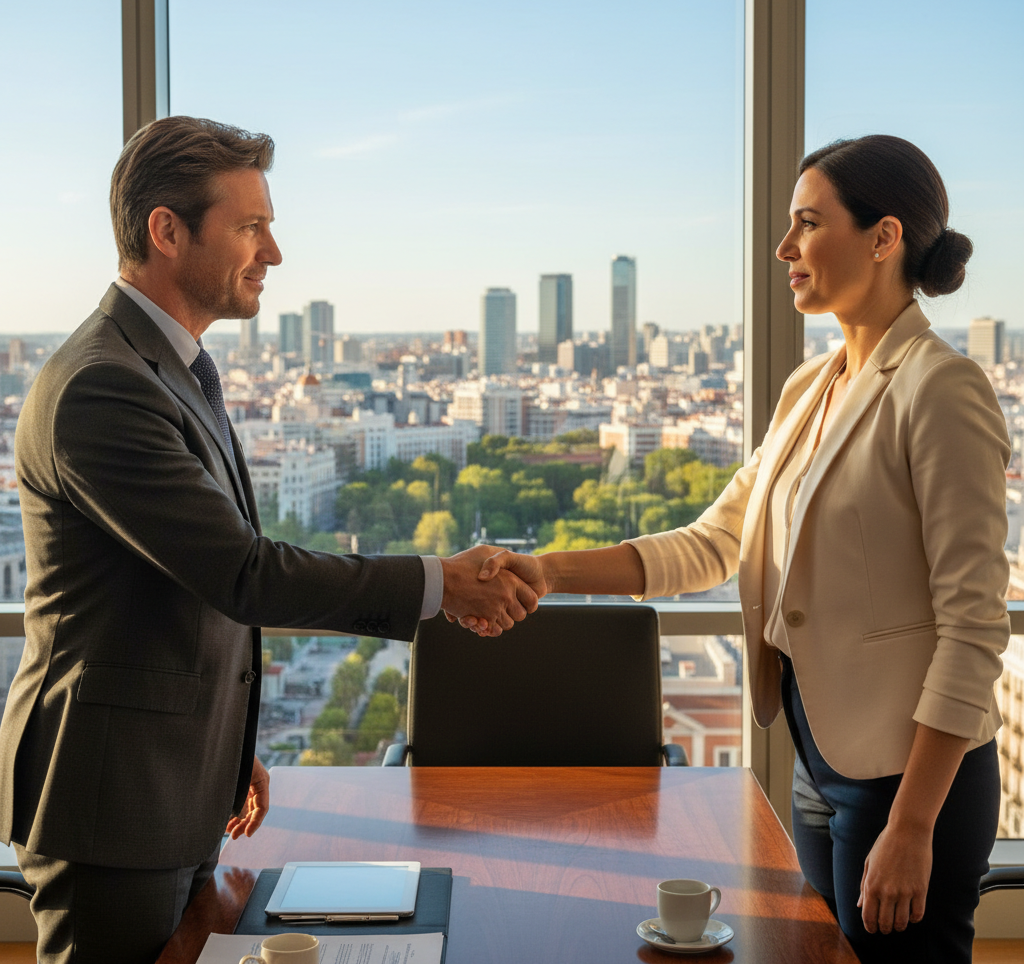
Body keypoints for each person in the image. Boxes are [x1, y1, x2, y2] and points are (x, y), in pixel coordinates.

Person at [0, 115, 536, 964]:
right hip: (113, 794)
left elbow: (183, 587)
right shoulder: (104, 385)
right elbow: (241, 572)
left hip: (167, 777)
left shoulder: (167, 369)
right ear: (166, 231)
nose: (273, 252)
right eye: (250, 226)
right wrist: (442, 583)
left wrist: (228, 743)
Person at [470, 135, 1011, 963]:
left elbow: (973, 628)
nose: (785, 248)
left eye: (806, 223)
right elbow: (714, 542)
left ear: (884, 236)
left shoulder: (942, 388)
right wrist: (548, 569)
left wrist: (912, 823)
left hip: (911, 780)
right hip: (819, 759)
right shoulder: (809, 387)